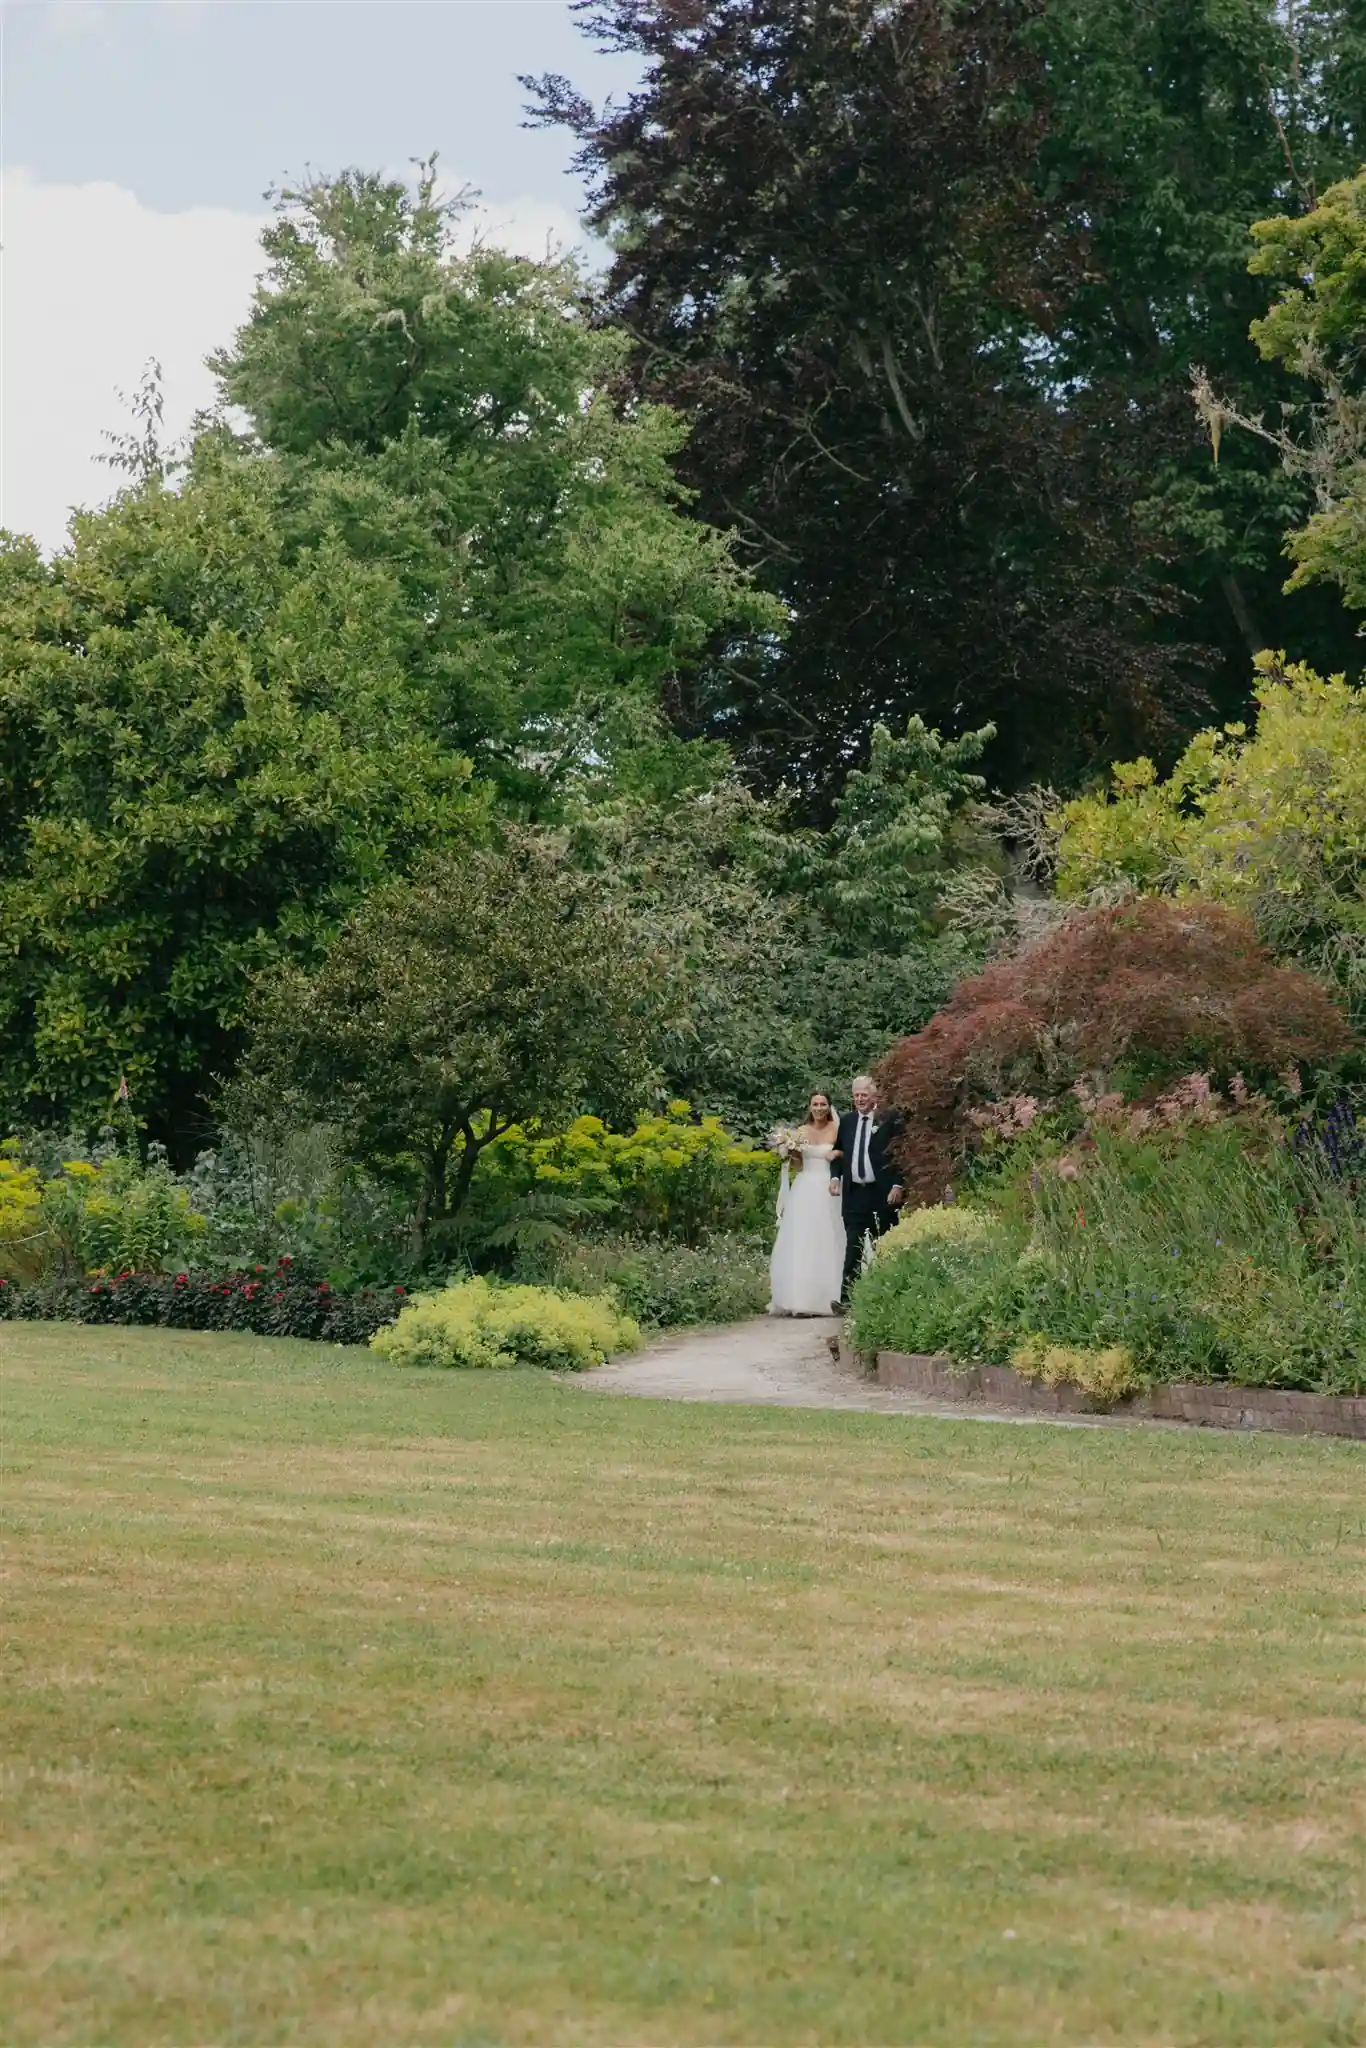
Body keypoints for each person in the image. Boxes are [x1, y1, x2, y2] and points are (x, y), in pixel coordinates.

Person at [828, 1074, 905, 1309]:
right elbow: (839, 1153)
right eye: (856, 1095)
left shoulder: (888, 1119)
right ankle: (846, 1300)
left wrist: (898, 1184)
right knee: (853, 1246)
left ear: (874, 1096)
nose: (860, 1099)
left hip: (881, 1193)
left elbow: (901, 1153)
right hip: (854, 1195)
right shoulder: (847, 1121)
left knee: (884, 1244)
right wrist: (834, 1177)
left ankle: (888, 1298)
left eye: (864, 1095)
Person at [768, 1091, 846, 1317]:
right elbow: (799, 1166)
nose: (819, 1108)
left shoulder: (837, 1130)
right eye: (815, 1104)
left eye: (823, 1104)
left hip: (830, 1186)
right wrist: (788, 1151)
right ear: (810, 1107)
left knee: (829, 1237)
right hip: (805, 1187)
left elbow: (844, 1154)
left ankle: (831, 1296)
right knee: (803, 1239)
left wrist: (837, 1153)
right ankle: (800, 1298)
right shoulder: (801, 1132)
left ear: (829, 1106)